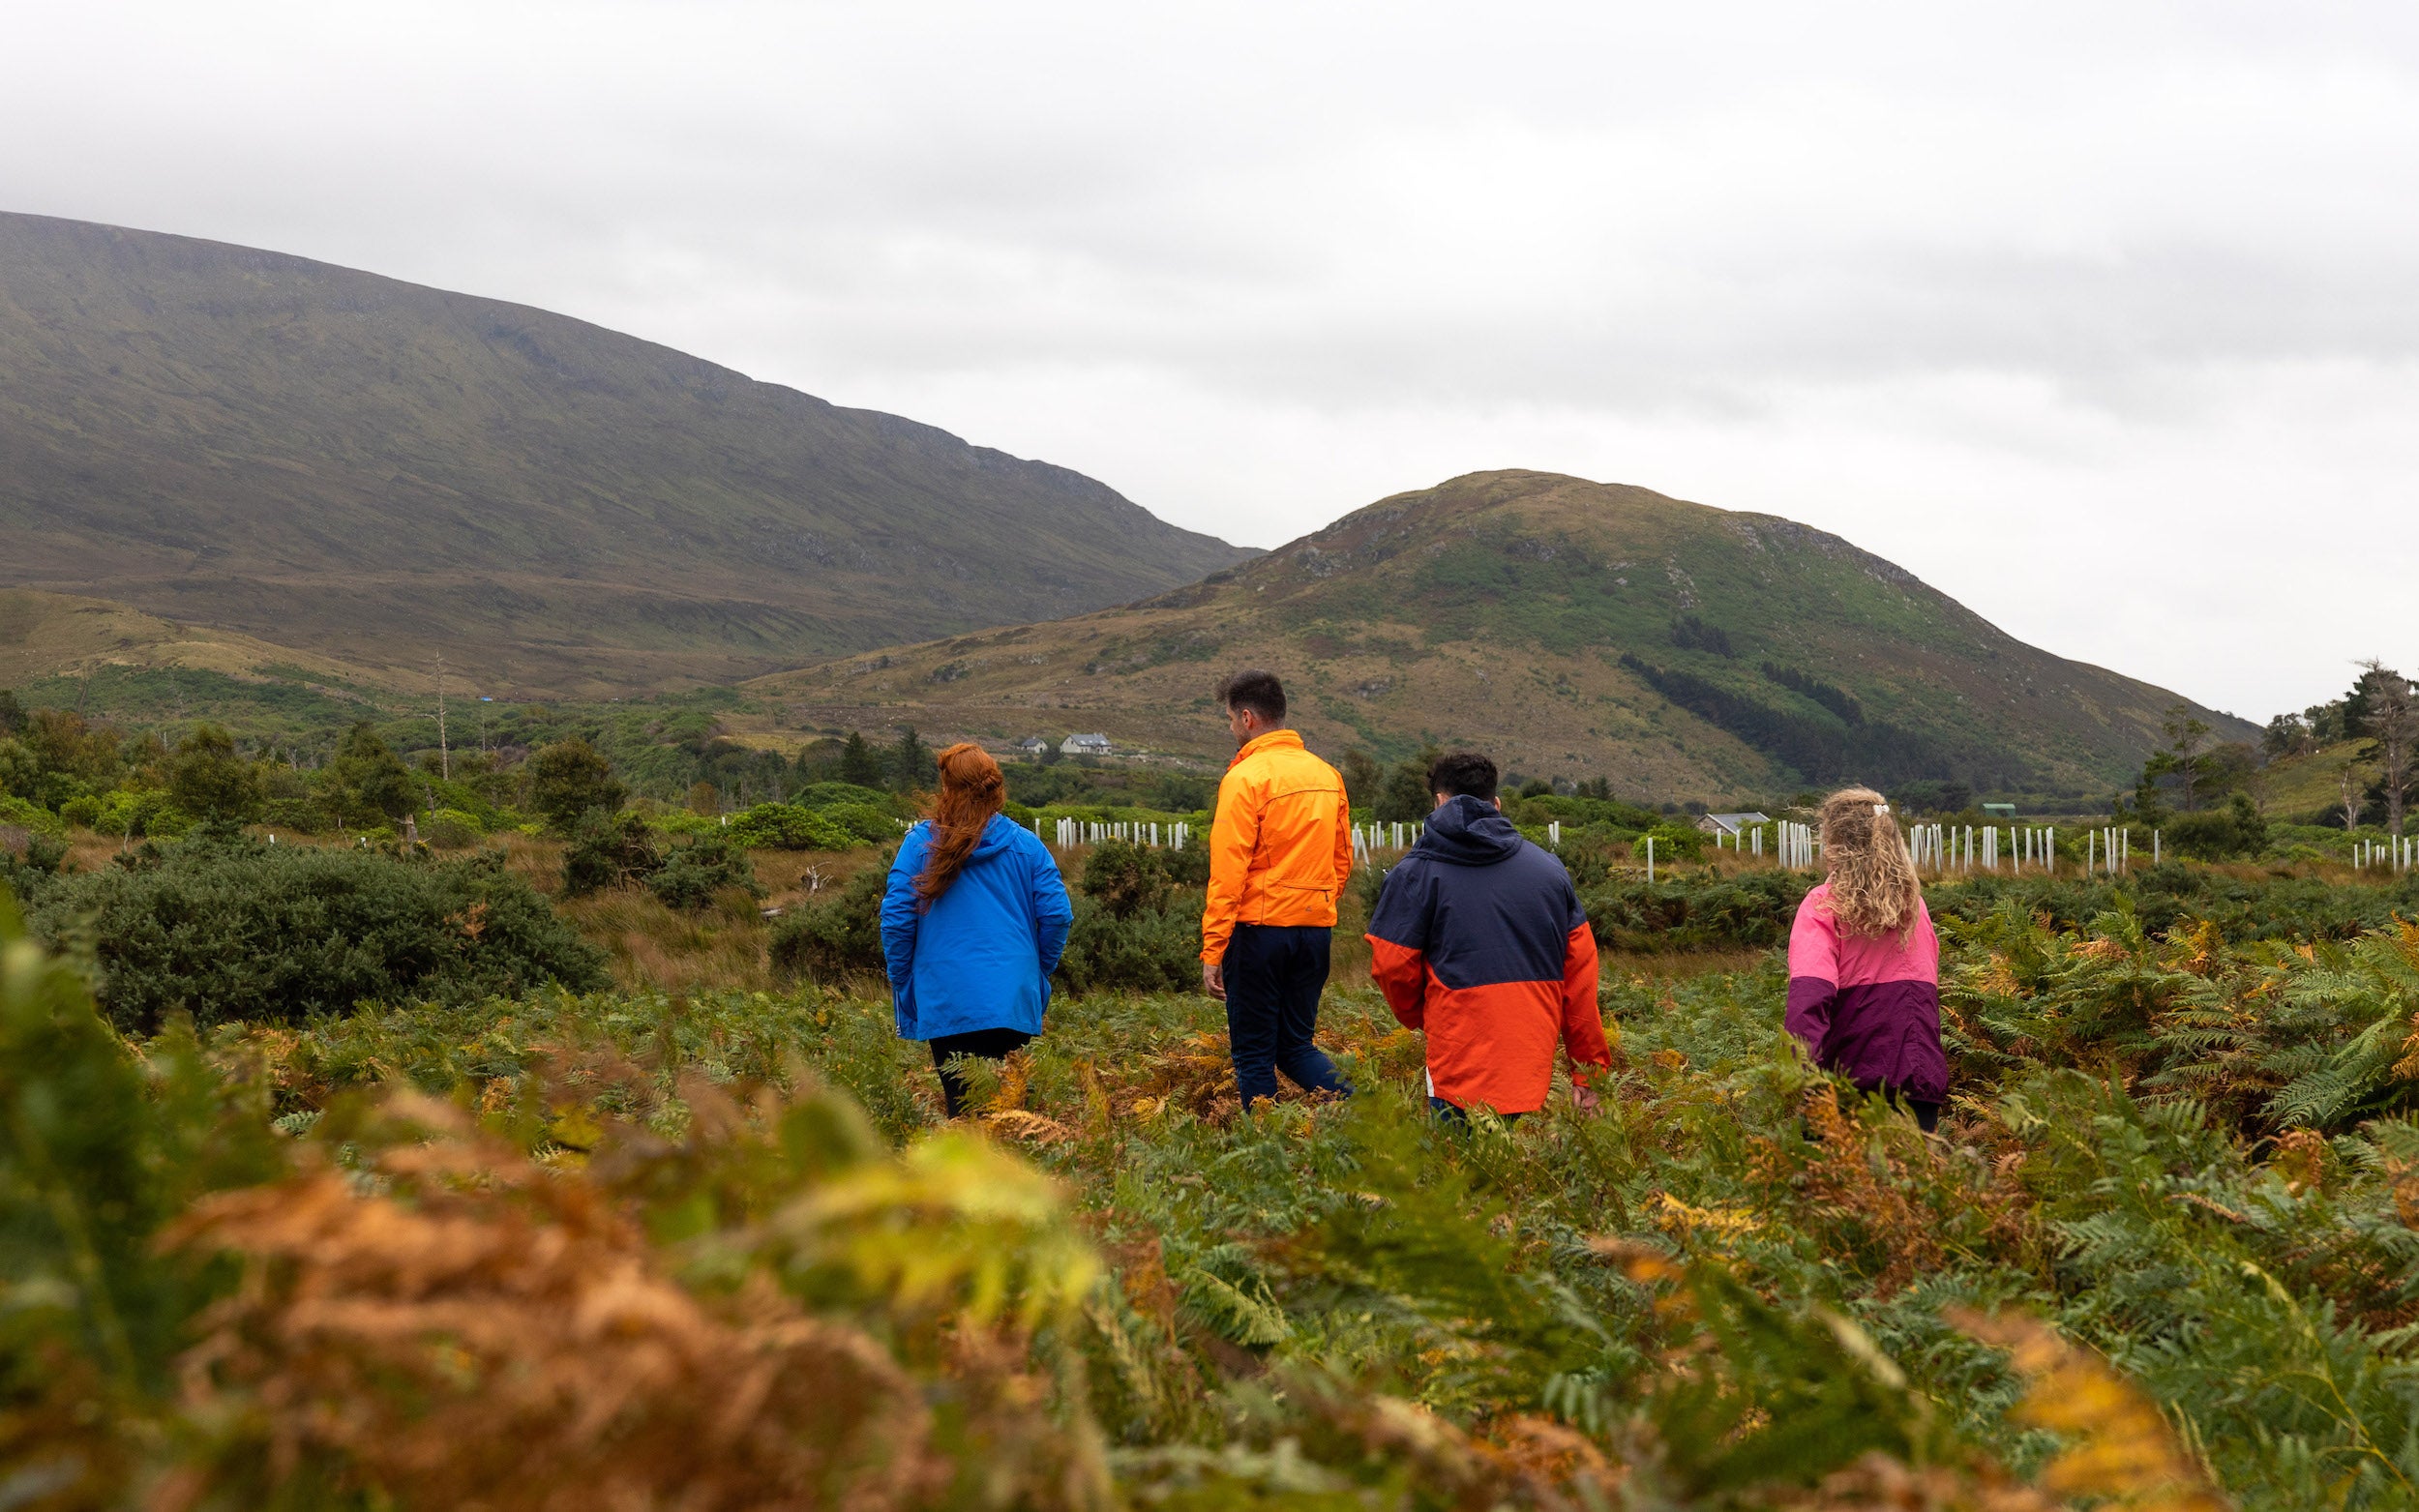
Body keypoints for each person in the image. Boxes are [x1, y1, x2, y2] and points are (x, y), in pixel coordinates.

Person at [1365, 752, 1610, 1122]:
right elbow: (1580, 980)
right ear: (1495, 803)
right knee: (1517, 1173)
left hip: (1456, 1058)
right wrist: (1588, 1072)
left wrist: (1427, 1016)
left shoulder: (1413, 874)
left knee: (1457, 1172)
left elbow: (1391, 966)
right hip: (1530, 1061)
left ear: (1439, 802)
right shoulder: (1550, 871)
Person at [881, 742, 1074, 1118]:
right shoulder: (1027, 846)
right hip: (1011, 996)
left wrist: (903, 979)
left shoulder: (920, 844)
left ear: (947, 789)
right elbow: (1057, 915)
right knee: (1013, 1114)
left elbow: (897, 919)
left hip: (946, 994)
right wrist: (1035, 971)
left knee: (965, 1110)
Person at [1200, 668, 1354, 1110]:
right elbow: (1341, 860)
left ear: (1247, 718)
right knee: (1296, 1046)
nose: (1231, 728)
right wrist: (1315, 905)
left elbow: (1228, 873)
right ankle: (1372, 1112)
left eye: (1230, 719)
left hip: (1259, 932)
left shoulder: (1245, 778)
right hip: (1314, 930)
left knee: (1254, 1055)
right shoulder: (1329, 775)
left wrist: (1214, 951)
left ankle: (1268, 1152)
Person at [1784, 786, 1949, 1132]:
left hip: (1850, 1089)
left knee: (1840, 1186)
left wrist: (1800, 1081)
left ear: (1835, 844)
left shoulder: (1823, 905)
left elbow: (1808, 1002)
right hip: (1920, 1086)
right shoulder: (1914, 906)